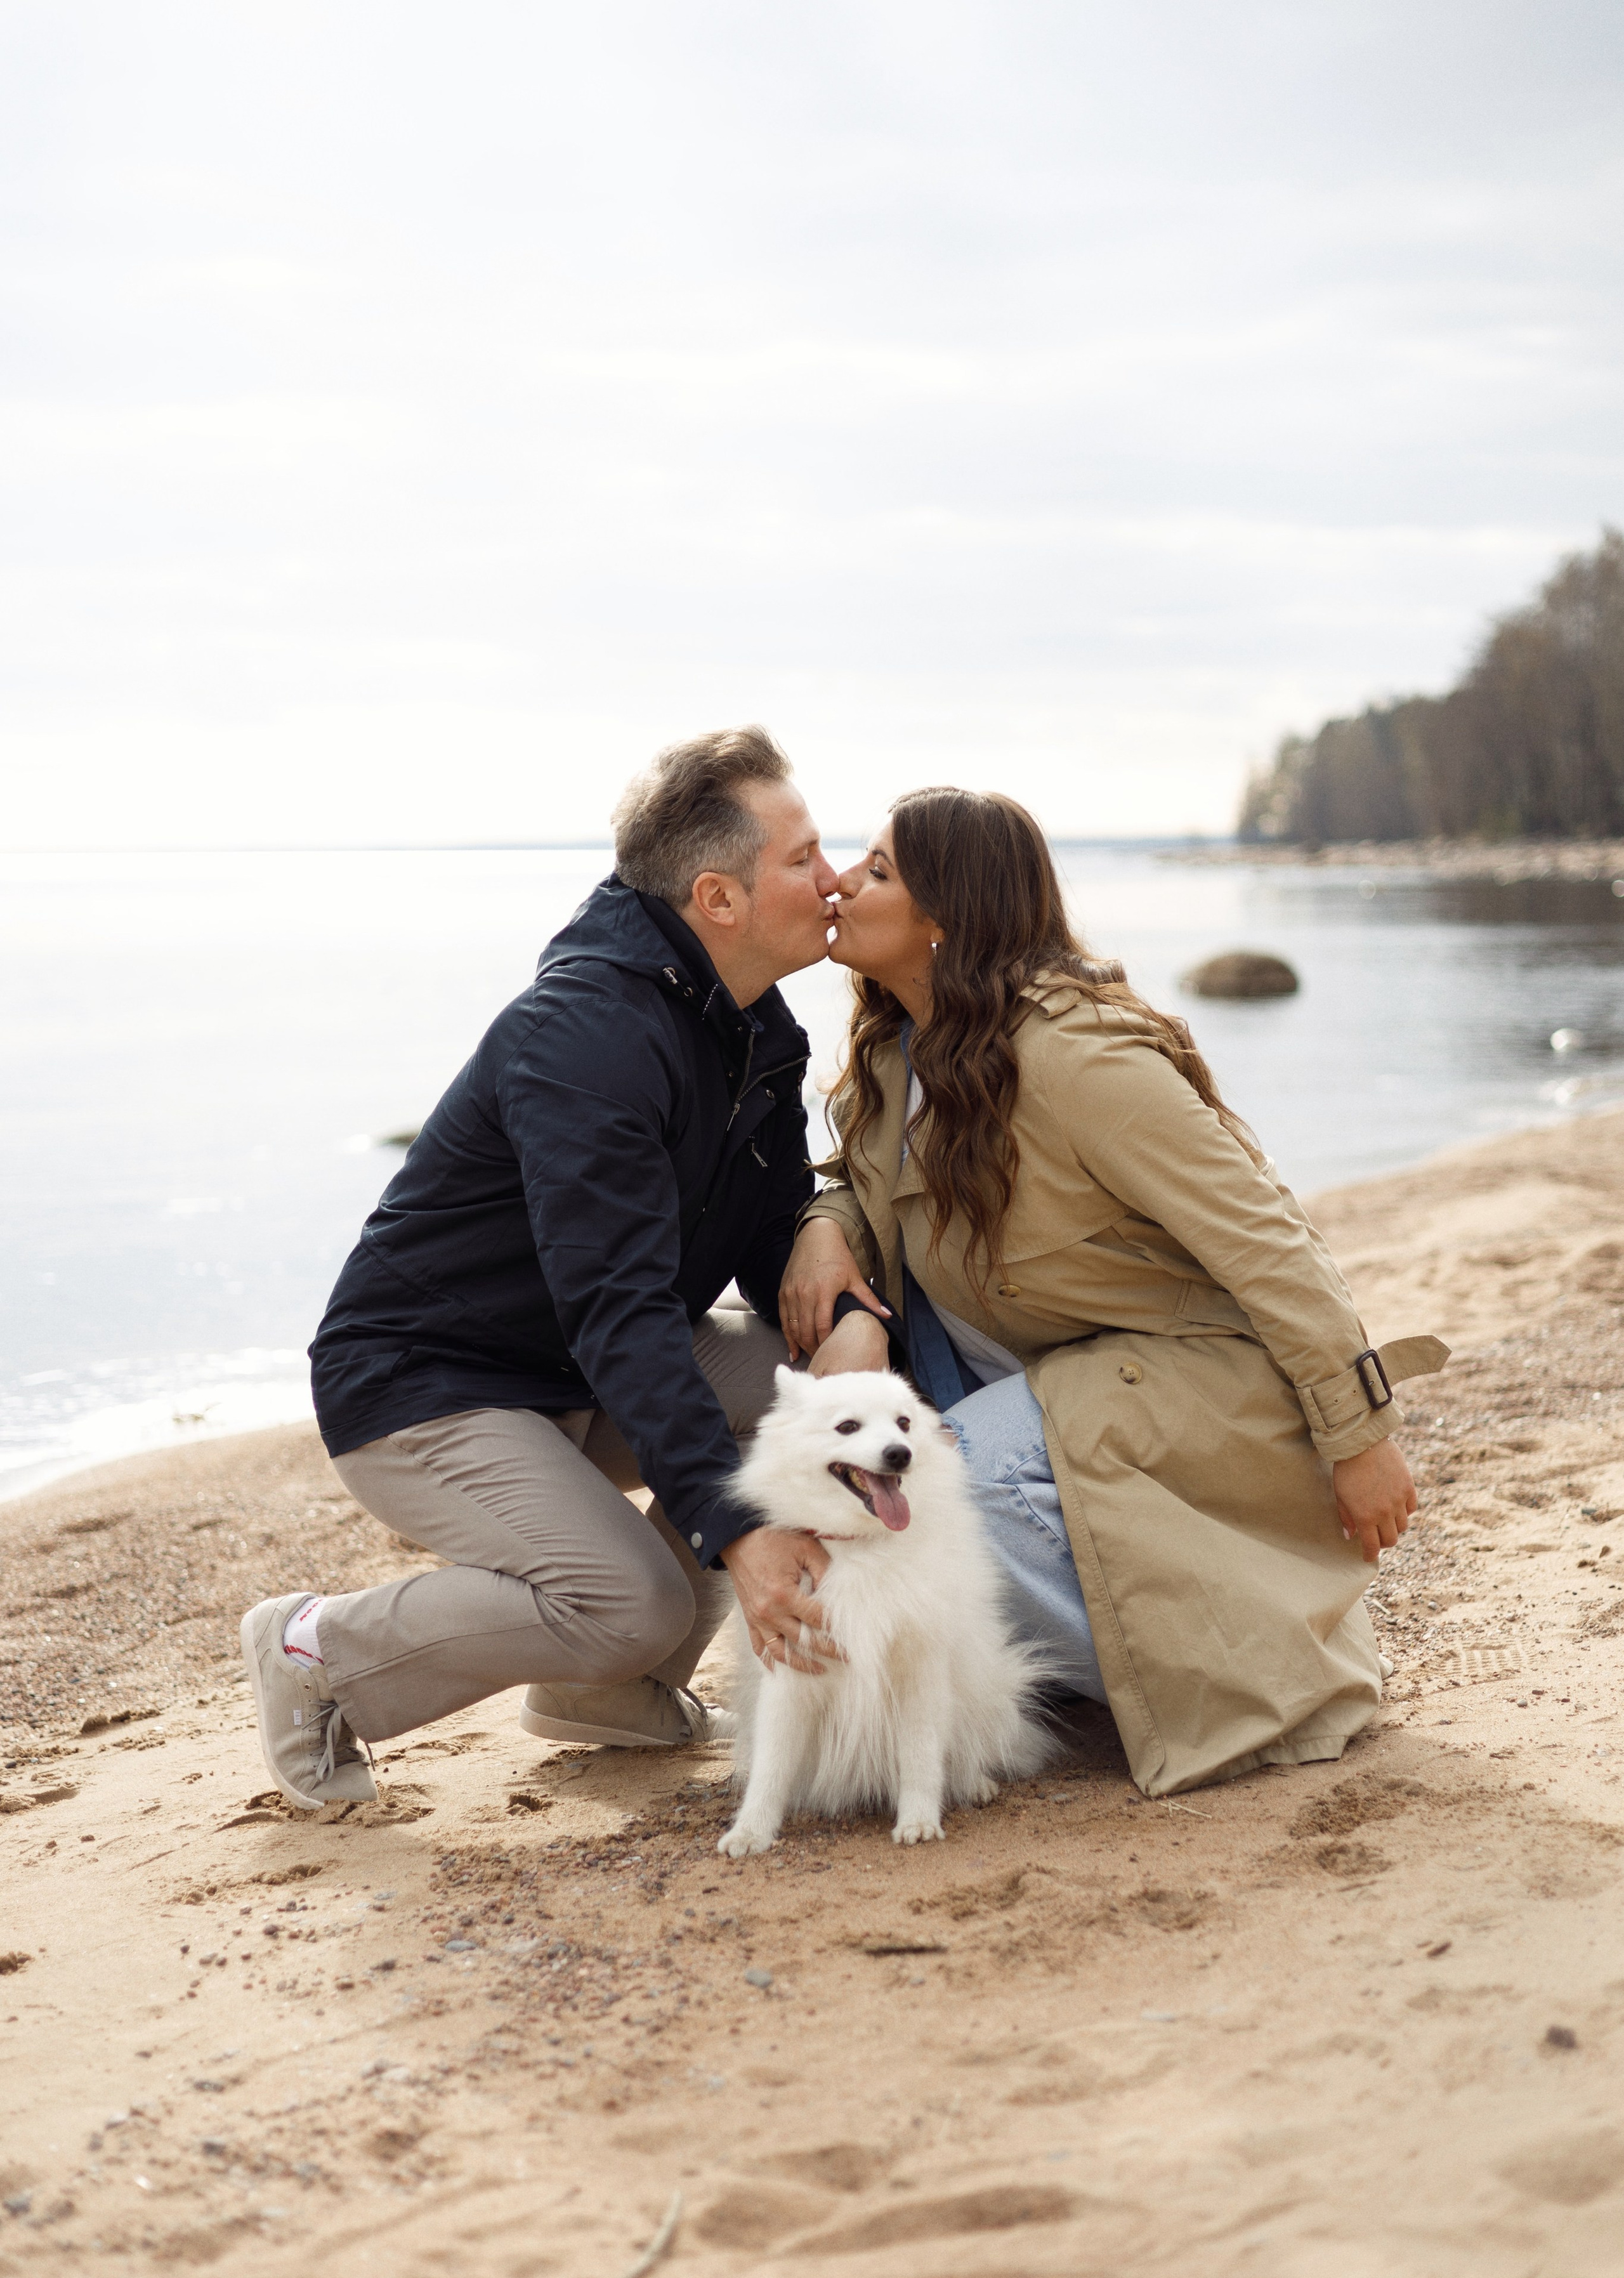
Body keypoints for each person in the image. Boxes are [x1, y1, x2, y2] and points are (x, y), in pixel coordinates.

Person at [780, 787, 1446, 1798]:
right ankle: (1112, 1671)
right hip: (1063, 1380)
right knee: (844, 1478)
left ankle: (1258, 1673)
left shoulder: (1075, 1056)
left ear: (942, 919)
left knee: (934, 1497)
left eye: (875, 872)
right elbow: (865, 1180)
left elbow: (1271, 1239)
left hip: (1192, 1380)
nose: (837, 881)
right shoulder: (897, 1048)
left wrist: (1360, 1434)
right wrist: (826, 1232)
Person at [240, 726, 844, 1808]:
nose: (833, 879)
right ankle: (312, 1654)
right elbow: (621, 1309)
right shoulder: (590, 1037)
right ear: (718, 897)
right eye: (804, 858)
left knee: (816, 1398)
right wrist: (739, 1531)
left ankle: (613, 1696)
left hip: (574, 1367)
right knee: (635, 1598)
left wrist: (826, 1234)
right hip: (427, 1384)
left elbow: (764, 1244)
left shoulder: (755, 1025)